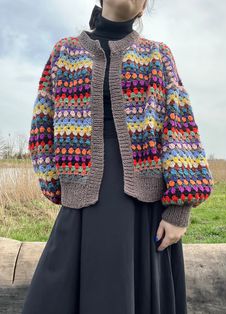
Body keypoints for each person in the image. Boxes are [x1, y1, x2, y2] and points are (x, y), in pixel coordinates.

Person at [21, 0, 214, 313]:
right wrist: (60, 188)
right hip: (81, 206)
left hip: (145, 211)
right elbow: (42, 127)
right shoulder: (64, 52)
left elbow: (180, 126)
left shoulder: (157, 54)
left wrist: (179, 210)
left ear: (143, 8)